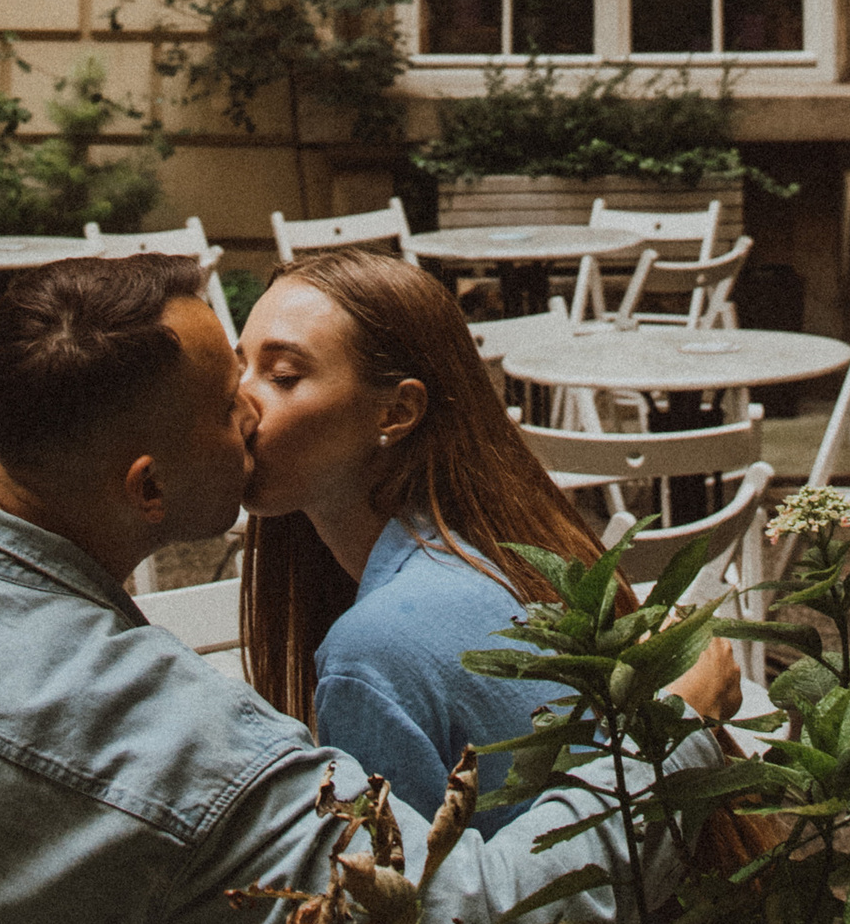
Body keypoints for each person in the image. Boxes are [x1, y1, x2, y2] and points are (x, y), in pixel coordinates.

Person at [0, 252, 730, 924]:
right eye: (229, 399)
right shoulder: (181, 750)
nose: (249, 417)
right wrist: (670, 730)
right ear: (148, 490)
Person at [240, 248, 686, 825]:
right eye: (238, 371)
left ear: (396, 411)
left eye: (282, 376)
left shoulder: (370, 655)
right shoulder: (502, 547)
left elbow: (415, 910)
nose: (241, 406)